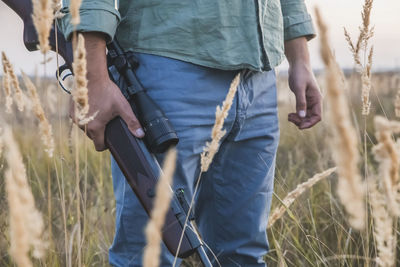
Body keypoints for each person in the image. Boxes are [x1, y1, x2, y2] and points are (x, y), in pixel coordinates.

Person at [59, 0, 322, 266]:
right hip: (165, 67)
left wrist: (300, 57)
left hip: (260, 78)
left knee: (244, 256)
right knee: (148, 255)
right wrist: (90, 75)